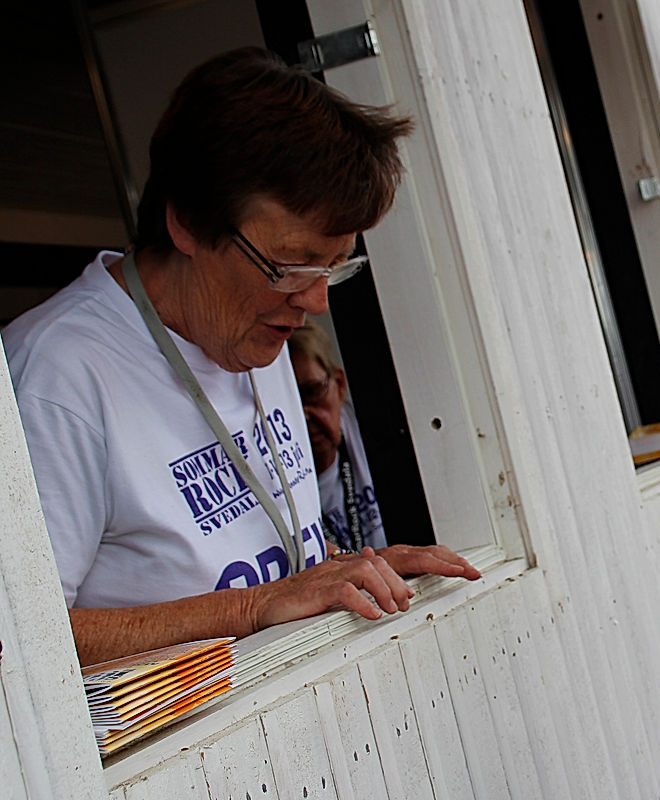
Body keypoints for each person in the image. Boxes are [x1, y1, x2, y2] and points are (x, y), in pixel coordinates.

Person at [3, 47, 477, 666]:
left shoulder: (253, 324)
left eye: (333, 268)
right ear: (188, 224)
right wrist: (252, 608)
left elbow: (250, 557)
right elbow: (22, 642)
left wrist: (343, 574)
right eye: (288, 266)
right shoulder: (53, 376)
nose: (313, 300)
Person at [288, 322, 386, 553]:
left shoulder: (377, 428)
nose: (303, 415)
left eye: (312, 391)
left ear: (339, 384)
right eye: (287, 404)